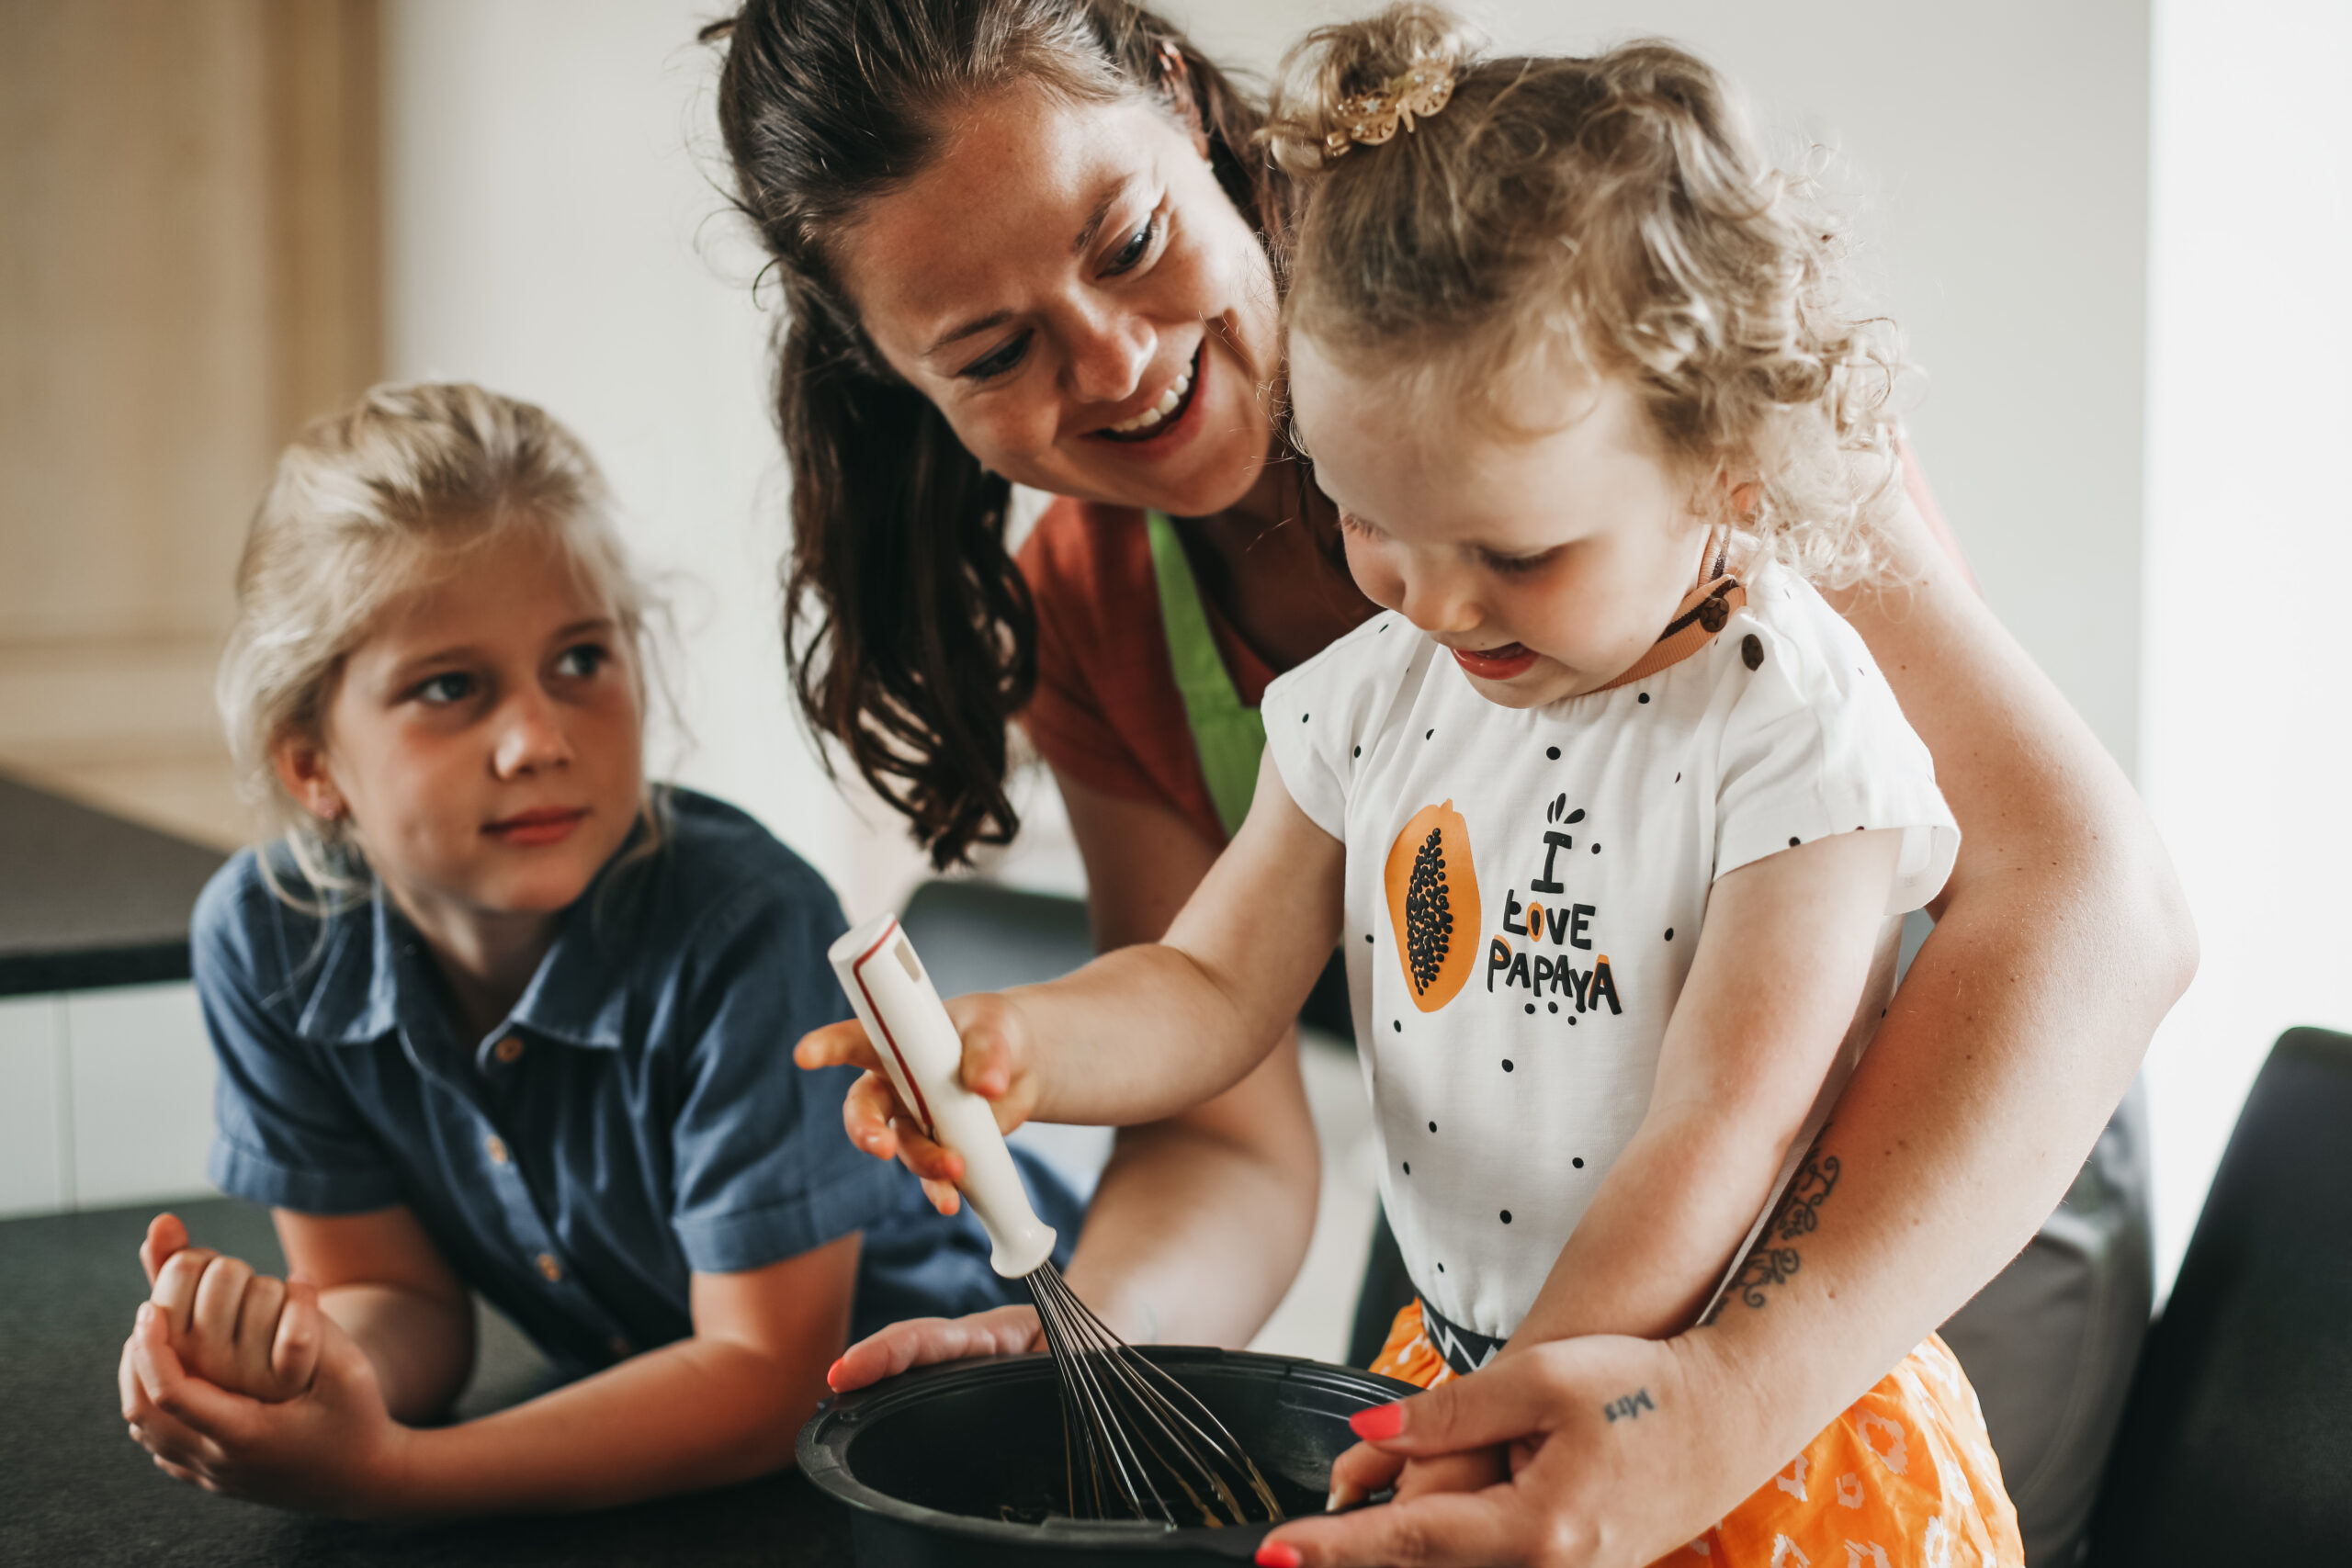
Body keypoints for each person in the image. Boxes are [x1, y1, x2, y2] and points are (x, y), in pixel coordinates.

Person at [707, 1, 2192, 1562]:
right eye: (994, 352)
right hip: (1510, 1291)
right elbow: (1217, 1068)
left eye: (1129, 240)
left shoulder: (1625, 317)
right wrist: (1090, 1316)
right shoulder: (1278, 644)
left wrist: (1699, 1398)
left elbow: (2054, 923)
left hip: (1927, 1181)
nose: (1119, 359)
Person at [114, 382, 1080, 1516]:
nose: (536, 740)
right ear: (312, 764)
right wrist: (297, 1372)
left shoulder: (745, 926)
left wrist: (392, 1474)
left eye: (579, 661)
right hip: (667, 1448)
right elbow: (397, 1300)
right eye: (449, 687)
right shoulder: (270, 941)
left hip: (977, 1437)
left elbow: (766, 1377)